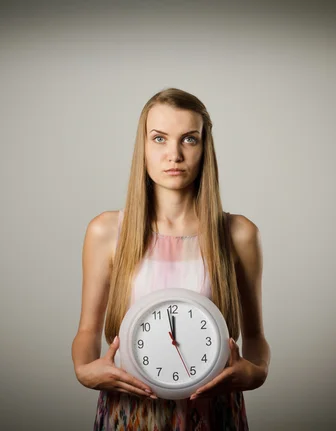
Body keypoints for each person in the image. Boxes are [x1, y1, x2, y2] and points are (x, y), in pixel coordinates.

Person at [71, 87, 269, 430]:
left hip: (212, 412)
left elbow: (255, 338)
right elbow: (88, 330)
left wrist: (255, 373)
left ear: (204, 148)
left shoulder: (238, 234)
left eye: (189, 139)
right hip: (132, 409)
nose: (174, 154)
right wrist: (85, 371)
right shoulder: (106, 232)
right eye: (159, 138)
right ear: (143, 148)